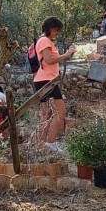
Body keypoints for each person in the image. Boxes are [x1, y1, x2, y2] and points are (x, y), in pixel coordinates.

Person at [33, 17, 76, 147]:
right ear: (49, 28)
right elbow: (49, 60)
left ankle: (42, 144)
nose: (58, 32)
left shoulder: (45, 40)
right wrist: (67, 54)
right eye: (56, 29)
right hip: (46, 80)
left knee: (48, 113)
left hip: (45, 80)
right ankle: (49, 143)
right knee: (60, 112)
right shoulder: (44, 40)